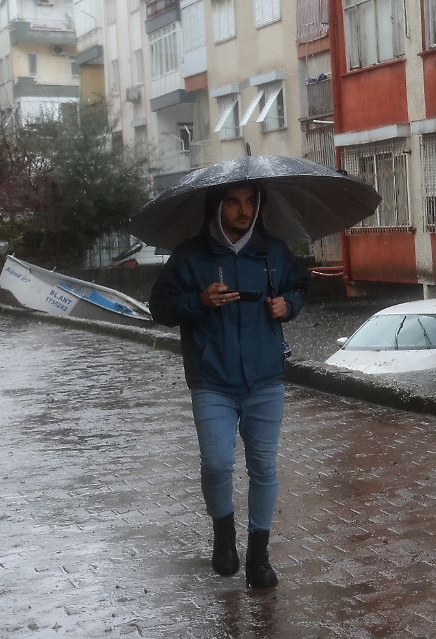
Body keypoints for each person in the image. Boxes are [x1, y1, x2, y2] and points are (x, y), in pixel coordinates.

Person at [149, 181, 309, 589]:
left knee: (264, 467)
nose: (243, 210)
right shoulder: (191, 256)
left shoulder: (273, 252)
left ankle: (258, 554)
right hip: (212, 379)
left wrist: (287, 305)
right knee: (217, 462)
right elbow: (160, 307)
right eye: (234, 202)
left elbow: (302, 286)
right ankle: (224, 534)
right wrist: (198, 301)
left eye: (250, 202)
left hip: (265, 379)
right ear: (216, 205)